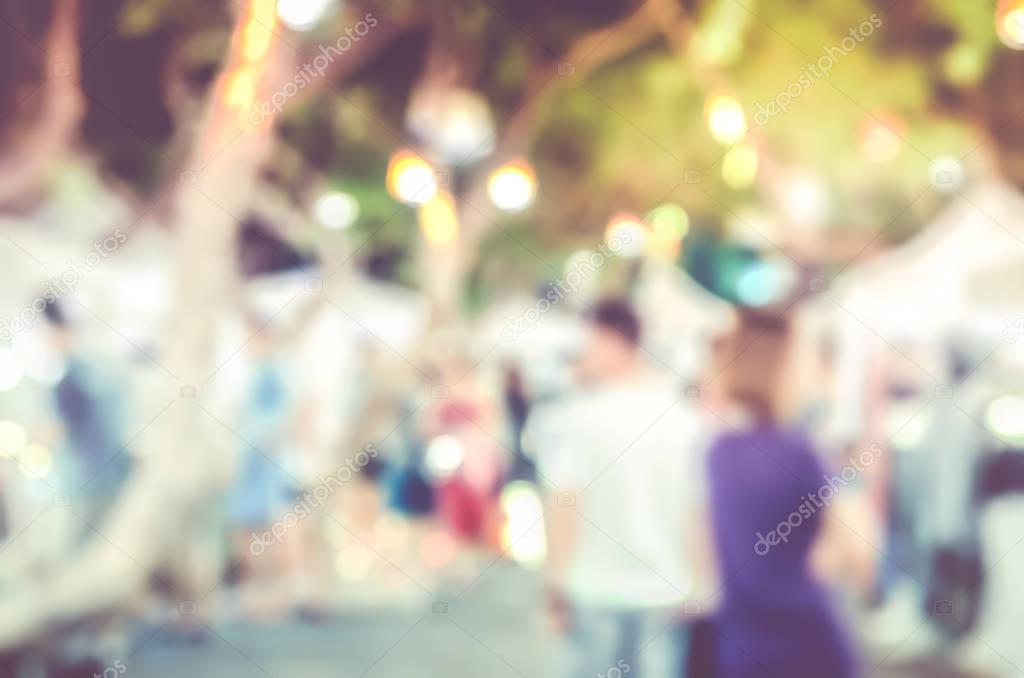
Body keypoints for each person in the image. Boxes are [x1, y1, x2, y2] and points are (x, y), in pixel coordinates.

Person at [536, 298, 708, 678]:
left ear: (614, 341)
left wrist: (554, 584)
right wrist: (700, 584)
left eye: (588, 343)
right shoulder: (684, 418)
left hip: (594, 588)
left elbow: (565, 502)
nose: (580, 356)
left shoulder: (578, 417)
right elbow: (699, 510)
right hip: (665, 589)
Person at [705, 308, 858, 678]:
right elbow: (853, 552)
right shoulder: (801, 452)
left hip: (741, 645)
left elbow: (705, 555)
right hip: (808, 645)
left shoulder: (716, 452)